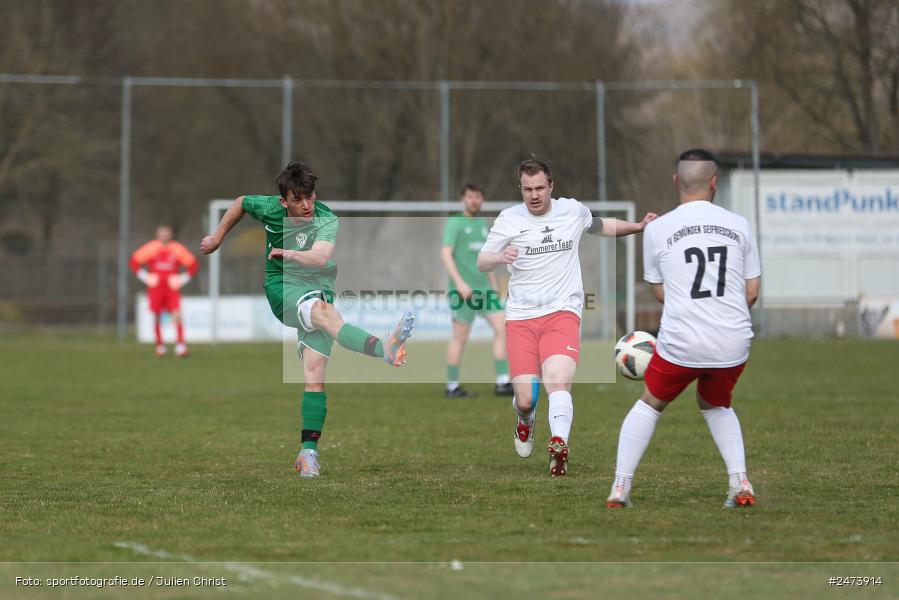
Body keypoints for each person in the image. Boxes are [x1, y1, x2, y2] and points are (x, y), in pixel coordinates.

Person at [200, 161, 414, 478]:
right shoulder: (268, 208)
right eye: (298, 199)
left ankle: (307, 454)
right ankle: (382, 346)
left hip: (319, 288)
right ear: (283, 201)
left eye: (310, 196)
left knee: (315, 375)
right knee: (325, 314)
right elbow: (241, 203)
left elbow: (321, 257)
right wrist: (218, 236)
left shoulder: (325, 218)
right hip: (282, 289)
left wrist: (290, 254)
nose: (306, 205)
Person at [477, 157, 656, 476]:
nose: (534, 195)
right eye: (527, 189)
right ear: (520, 189)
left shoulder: (572, 210)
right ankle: (525, 419)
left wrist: (639, 227)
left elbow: (602, 226)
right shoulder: (508, 219)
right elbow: (482, 261)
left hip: (562, 312)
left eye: (540, 188)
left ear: (551, 187)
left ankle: (559, 444)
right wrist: (499, 255)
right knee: (525, 398)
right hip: (520, 319)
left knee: (558, 380)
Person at [605, 148, 761, 509]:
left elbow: (660, 292)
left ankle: (620, 488)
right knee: (715, 402)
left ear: (676, 181)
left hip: (682, 341)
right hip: (733, 341)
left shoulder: (657, 229)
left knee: (650, 403)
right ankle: (739, 482)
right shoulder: (739, 225)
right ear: (714, 182)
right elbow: (751, 293)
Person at [441, 183, 513, 398]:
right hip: (463, 291)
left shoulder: (483, 224)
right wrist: (460, 283)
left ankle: (502, 382)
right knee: (460, 337)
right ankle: (452, 386)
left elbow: (487, 259)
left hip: (485, 290)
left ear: (482, 200)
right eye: (470, 196)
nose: (474, 200)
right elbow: (445, 254)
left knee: (503, 329)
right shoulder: (455, 223)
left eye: (478, 197)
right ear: (463, 199)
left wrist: (493, 285)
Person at [130, 225, 198, 358]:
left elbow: (193, 264)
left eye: (166, 233)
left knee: (176, 315)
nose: (164, 235)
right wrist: (146, 277)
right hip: (156, 287)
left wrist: (182, 279)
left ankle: (180, 346)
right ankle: (160, 347)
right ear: (157, 234)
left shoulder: (177, 248)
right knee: (156, 316)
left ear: (170, 234)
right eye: (161, 233)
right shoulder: (151, 247)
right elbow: (134, 262)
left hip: (171, 288)